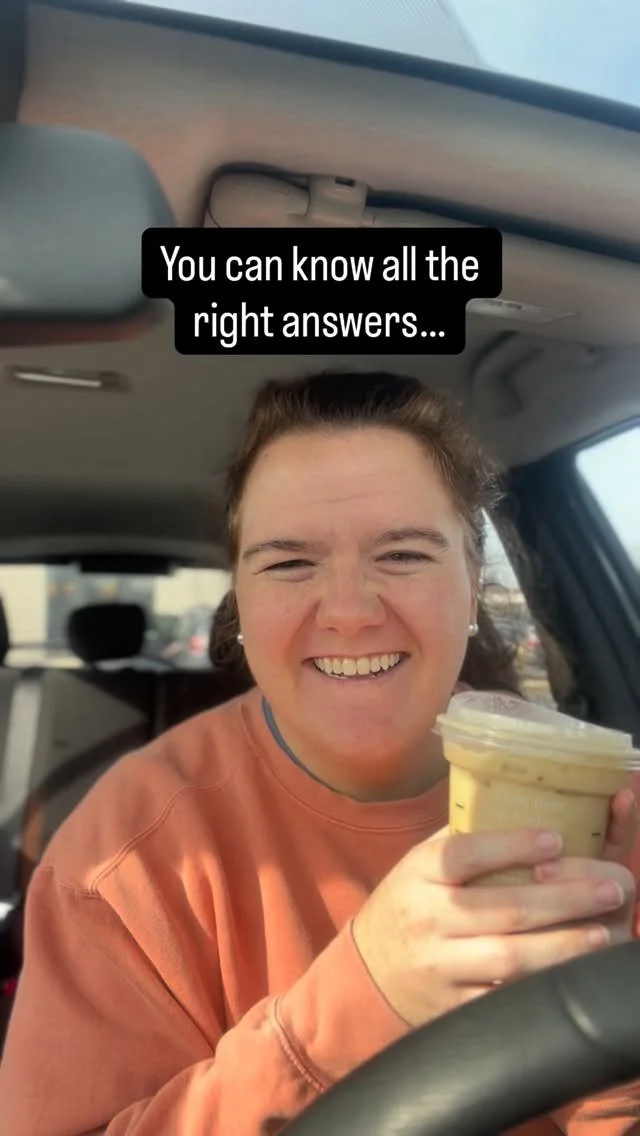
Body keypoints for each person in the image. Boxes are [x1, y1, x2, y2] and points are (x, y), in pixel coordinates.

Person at [1, 370, 639, 1136]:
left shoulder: (596, 805)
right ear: (239, 604)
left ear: (472, 585)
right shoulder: (122, 859)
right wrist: (360, 1003)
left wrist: (602, 999)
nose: (348, 612)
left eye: (402, 555)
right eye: (289, 563)